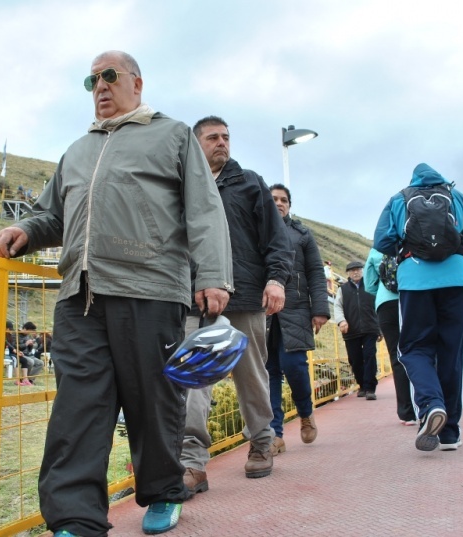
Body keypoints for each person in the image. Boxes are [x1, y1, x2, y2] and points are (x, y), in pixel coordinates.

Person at [0, 51, 233, 537]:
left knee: (154, 400)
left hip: (151, 288)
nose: (100, 86)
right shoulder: (78, 150)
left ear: (136, 83)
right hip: (80, 296)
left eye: (109, 76)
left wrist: (213, 275)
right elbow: (54, 215)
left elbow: (203, 209)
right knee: (78, 408)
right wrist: (27, 231)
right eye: (91, 80)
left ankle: (164, 490)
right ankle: (77, 520)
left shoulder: (172, 135)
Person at [180, 116, 290, 496]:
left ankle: (261, 442)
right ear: (196, 144)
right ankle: (192, 463)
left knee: (251, 376)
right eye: (212, 137)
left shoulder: (249, 183)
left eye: (226, 137)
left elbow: (277, 239)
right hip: (195, 300)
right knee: (194, 380)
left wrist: (276, 279)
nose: (221, 142)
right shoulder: (183, 185)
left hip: (244, 296)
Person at [373, 163, 463, 451]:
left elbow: (381, 241)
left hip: (415, 280)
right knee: (451, 353)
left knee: (414, 349)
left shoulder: (398, 199)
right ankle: (450, 434)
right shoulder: (455, 196)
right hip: (455, 279)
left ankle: (430, 405)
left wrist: (408, 250)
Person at [264, 184, 331, 456]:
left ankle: (305, 412)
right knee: (269, 373)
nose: (279, 203)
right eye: (274, 199)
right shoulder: (255, 229)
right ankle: (274, 434)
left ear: (290, 205)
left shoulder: (302, 234)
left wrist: (320, 310)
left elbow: (316, 272)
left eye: (284, 200)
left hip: (297, 309)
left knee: (294, 366)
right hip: (264, 312)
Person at [363, 248, 416, 425]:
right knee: (421, 351)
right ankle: (427, 405)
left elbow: (369, 284)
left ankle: (407, 413)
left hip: (387, 304)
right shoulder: (411, 241)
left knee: (397, 355)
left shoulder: (376, 250)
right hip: (413, 298)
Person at [333, 260, 382, 400]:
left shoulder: (371, 286)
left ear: (363, 271)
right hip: (351, 330)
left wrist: (380, 329)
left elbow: (378, 307)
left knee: (369, 356)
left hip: (370, 328)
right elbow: (337, 306)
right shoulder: (343, 289)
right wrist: (341, 321)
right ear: (348, 273)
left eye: (358, 269)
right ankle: (362, 385)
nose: (355, 272)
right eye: (352, 270)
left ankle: (370, 388)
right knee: (355, 359)